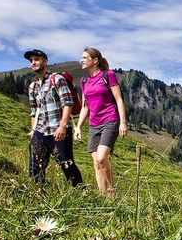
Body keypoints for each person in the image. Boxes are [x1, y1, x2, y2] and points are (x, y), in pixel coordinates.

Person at [26, 49, 83, 188]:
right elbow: (34, 111)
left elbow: (67, 103)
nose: (33, 62)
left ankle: (81, 191)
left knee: (66, 163)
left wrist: (63, 126)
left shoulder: (57, 79)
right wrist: (33, 131)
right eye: (31, 60)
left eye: (37, 59)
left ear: (45, 62)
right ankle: (38, 192)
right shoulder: (32, 86)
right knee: (36, 164)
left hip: (58, 129)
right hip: (40, 130)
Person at [74, 47, 127, 195]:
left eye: (85, 58)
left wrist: (122, 122)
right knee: (97, 163)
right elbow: (85, 107)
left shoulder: (108, 75)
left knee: (102, 157)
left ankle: (112, 191)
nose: (82, 60)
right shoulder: (84, 81)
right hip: (94, 125)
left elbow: (118, 99)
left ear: (95, 60)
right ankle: (104, 197)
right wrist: (78, 127)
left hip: (110, 120)